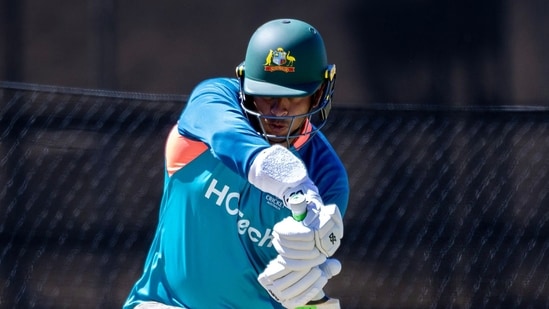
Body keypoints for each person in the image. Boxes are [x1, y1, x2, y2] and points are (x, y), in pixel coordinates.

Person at [123, 18, 349, 309]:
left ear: (318, 94)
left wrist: (307, 285)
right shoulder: (211, 100)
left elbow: (295, 280)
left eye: (292, 97)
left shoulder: (328, 177)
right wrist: (294, 183)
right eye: (266, 94)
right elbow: (229, 137)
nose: (277, 109)